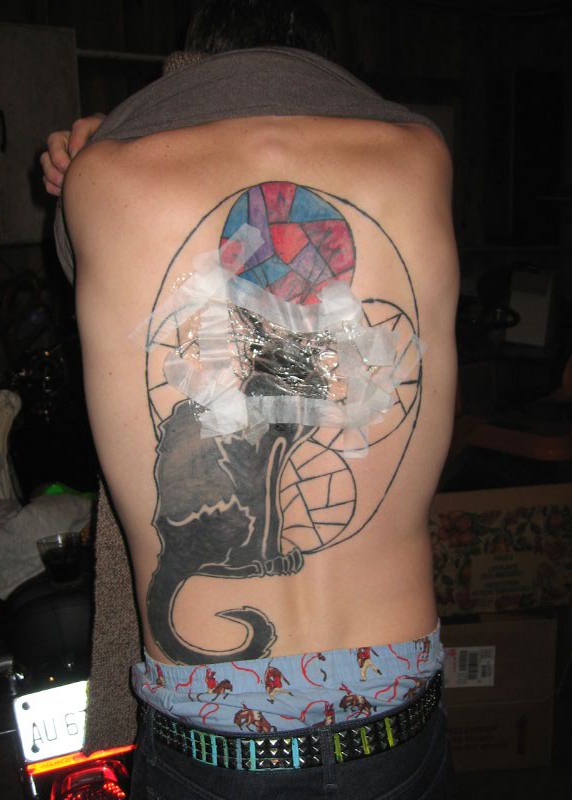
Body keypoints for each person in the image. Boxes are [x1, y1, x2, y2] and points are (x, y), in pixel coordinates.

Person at [42, 1, 458, 797]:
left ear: (192, 61)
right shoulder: (420, 153)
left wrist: (101, 145)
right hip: (394, 716)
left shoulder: (106, 177)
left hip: (213, 739)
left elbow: (94, 275)